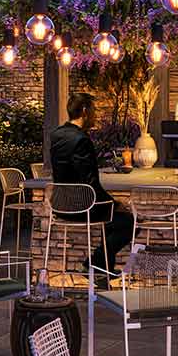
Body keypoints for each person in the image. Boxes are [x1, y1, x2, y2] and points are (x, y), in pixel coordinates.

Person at [47, 92, 135, 277]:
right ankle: (93, 264)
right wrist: (116, 203)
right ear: (85, 111)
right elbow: (90, 184)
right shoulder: (81, 140)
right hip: (81, 205)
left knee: (112, 220)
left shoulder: (57, 135)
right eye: (94, 111)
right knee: (128, 222)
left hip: (60, 204)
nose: (95, 116)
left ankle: (103, 271)